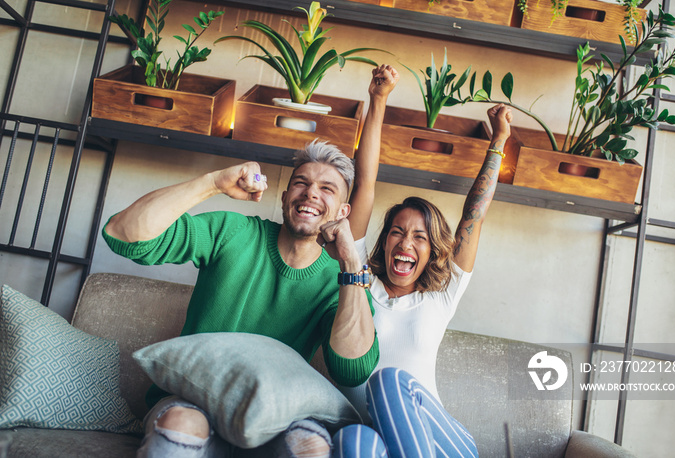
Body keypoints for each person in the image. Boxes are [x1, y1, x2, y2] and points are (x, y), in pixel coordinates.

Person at [101, 65, 399, 458]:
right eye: (301, 182)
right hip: (192, 403)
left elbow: (352, 369)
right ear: (284, 196)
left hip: (277, 418)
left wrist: (348, 261)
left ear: (343, 212)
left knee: (309, 446)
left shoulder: (339, 280)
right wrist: (212, 184)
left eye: (326, 189)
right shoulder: (233, 233)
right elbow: (124, 235)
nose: (311, 193)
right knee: (182, 424)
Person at [331, 102, 514, 457]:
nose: (406, 243)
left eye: (420, 237)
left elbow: (473, 218)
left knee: (389, 382)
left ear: (432, 251)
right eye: (397, 232)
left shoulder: (441, 296)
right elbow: (364, 183)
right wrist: (378, 99)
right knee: (352, 440)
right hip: (381, 442)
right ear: (383, 242)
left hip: (442, 442)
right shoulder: (356, 283)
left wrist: (499, 140)